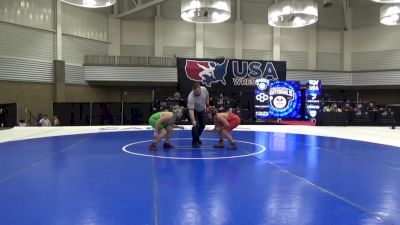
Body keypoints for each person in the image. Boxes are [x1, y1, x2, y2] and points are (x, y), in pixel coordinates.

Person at [187, 82, 209, 148]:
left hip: (202, 109)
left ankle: (197, 138)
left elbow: (207, 95)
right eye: (195, 92)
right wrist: (193, 120)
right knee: (195, 125)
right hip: (194, 111)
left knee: (202, 125)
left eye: (197, 91)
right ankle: (194, 141)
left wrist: (207, 104)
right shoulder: (191, 97)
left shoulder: (204, 89)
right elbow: (191, 110)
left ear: (200, 88)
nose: (196, 93)